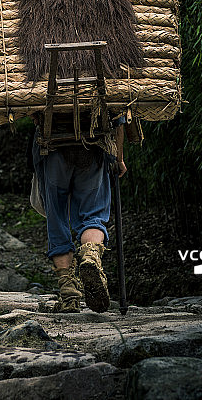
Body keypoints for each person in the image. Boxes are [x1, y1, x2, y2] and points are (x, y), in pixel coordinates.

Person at [31, 112, 127, 313]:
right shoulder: (104, 88)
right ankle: (91, 256)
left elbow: (31, 111)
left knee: (57, 220)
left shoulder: (43, 87)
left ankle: (69, 295)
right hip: (93, 149)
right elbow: (120, 116)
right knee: (93, 216)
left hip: (53, 150)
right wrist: (119, 158)